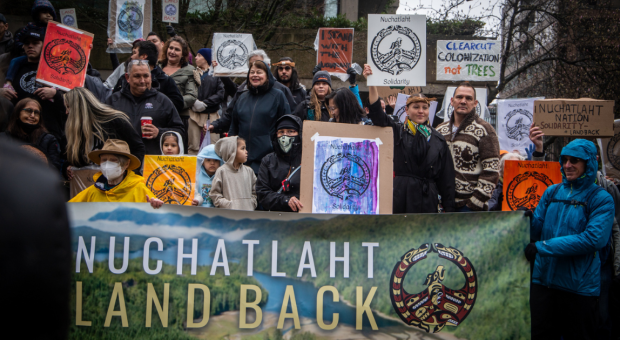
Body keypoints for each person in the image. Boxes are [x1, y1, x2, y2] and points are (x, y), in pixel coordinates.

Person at [528, 123, 620, 339]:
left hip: (578, 289)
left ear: (588, 163)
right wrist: (526, 219)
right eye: (564, 160)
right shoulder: (552, 191)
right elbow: (535, 231)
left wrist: (542, 247)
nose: (567, 165)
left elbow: (592, 240)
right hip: (544, 282)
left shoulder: (601, 198)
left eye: (574, 161)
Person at [364, 65, 455, 213]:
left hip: (427, 201)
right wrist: (371, 82)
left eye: (425, 107)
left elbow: (447, 179)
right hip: (401, 198)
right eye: (416, 107)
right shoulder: (397, 131)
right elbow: (377, 113)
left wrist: (449, 210)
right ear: (407, 110)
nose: (421, 111)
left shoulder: (438, 140)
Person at [436, 82, 500, 212]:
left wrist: (475, 203)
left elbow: (492, 171)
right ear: (452, 101)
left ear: (475, 103)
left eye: (468, 98)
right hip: (443, 204)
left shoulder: (485, 130)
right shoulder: (440, 130)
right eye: (459, 97)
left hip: (470, 207)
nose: (463, 101)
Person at [0, 27, 67, 148]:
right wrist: (1, 92)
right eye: (27, 43)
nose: (30, 46)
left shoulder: (57, 68)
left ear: (43, 45)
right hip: (17, 135)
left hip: (48, 134)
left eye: (35, 43)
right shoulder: (14, 68)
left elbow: (71, 102)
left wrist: (55, 94)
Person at [104, 60, 185, 155]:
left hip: (151, 162)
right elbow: (102, 131)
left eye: (146, 76)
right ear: (127, 77)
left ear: (151, 77)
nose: (142, 81)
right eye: (137, 76)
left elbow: (180, 131)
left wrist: (159, 132)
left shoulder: (162, 101)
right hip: (122, 159)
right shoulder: (113, 101)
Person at [63, 87, 144, 179]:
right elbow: (73, 159)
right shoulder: (75, 130)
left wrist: (126, 173)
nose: (66, 112)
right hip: (88, 183)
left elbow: (138, 148)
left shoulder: (115, 120)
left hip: (118, 182)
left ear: (78, 108)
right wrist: (68, 168)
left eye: (68, 107)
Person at [208, 50, 296, 134]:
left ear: (267, 67)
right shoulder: (242, 92)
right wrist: (215, 126)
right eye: (251, 66)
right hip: (244, 147)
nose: (255, 73)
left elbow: (289, 122)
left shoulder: (280, 92)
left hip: (270, 148)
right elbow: (231, 117)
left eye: (259, 66)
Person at [228, 60, 291, 173]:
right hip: (242, 160)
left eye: (259, 72)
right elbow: (234, 126)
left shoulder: (277, 96)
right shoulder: (242, 97)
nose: (255, 75)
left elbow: (286, 126)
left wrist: (279, 152)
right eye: (252, 72)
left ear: (267, 76)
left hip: (267, 160)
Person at [69, 139, 163, 206]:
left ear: (126, 164)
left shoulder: (139, 190)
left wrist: (155, 206)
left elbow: (157, 213)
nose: (107, 164)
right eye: (104, 160)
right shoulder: (93, 191)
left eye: (113, 160)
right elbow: (69, 210)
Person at [108, 41, 184, 113]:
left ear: (144, 56)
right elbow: (114, 103)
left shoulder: (166, 80)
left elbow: (177, 105)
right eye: (137, 76)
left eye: (134, 53)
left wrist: (154, 109)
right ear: (128, 78)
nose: (131, 57)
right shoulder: (124, 78)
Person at [256, 115, 303, 212]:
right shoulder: (268, 161)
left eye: (290, 131)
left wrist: (297, 200)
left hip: (305, 218)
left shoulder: (309, 159)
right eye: (281, 132)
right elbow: (262, 193)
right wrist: (286, 200)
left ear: (299, 133)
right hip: (277, 219)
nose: (285, 136)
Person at [0, 98, 61, 172]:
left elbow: (54, 170)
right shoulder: (3, 138)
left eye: (36, 112)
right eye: (28, 111)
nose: (32, 115)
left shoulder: (49, 140)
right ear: (17, 114)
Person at [160, 36, 197, 152]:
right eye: (170, 48)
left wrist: (172, 104)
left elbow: (191, 96)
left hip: (179, 118)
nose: (172, 52)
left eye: (177, 49)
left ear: (183, 54)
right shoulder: (156, 68)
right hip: (158, 117)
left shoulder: (190, 71)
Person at [191, 48, 224, 153]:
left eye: (199, 55)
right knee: (193, 147)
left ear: (206, 59)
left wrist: (205, 103)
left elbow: (220, 93)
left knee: (214, 147)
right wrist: (193, 101)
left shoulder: (216, 74)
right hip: (193, 116)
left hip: (212, 115)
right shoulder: (191, 73)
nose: (196, 57)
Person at [209, 136, 257, 211]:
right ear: (232, 151)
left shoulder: (249, 171)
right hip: (229, 218)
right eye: (242, 148)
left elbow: (255, 191)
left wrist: (251, 203)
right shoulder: (222, 171)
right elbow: (214, 194)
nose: (246, 151)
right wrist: (228, 205)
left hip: (248, 217)